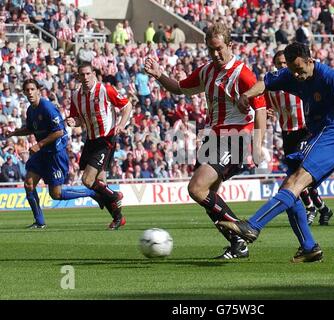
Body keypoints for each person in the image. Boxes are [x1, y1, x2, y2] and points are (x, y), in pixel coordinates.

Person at [218, 42, 334, 263]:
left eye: (300, 68)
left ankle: (252, 226)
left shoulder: (329, 76)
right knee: (290, 189)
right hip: (317, 135)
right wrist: (245, 95)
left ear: (310, 60)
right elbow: (265, 83)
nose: (296, 74)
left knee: (294, 183)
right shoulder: (290, 75)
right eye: (292, 69)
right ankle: (308, 247)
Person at [144, 22, 266, 259]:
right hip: (214, 137)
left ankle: (243, 231)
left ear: (230, 46)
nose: (215, 54)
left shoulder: (243, 74)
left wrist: (258, 145)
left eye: (219, 48)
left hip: (236, 136)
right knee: (209, 196)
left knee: (196, 188)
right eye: (211, 50)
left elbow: (260, 109)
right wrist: (159, 75)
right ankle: (237, 245)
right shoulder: (207, 71)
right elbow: (180, 88)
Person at [5, 79, 104, 228]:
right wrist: (14, 132)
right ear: (24, 92)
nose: (30, 92)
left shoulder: (47, 107)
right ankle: (39, 222)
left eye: (33, 89)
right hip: (43, 152)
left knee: (56, 194)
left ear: (38, 90)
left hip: (55, 153)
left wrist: (39, 144)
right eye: (27, 90)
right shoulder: (31, 110)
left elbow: (59, 131)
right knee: (29, 184)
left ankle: (92, 193)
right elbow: (31, 128)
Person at [266, 50, 334, 226]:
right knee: (295, 175)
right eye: (278, 63)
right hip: (287, 133)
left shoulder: (298, 82)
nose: (281, 66)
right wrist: (267, 111)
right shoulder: (273, 88)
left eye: (284, 63)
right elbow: (266, 106)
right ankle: (323, 208)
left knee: (298, 175)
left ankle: (310, 208)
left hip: (304, 131)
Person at [66, 62, 133, 230]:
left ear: (94, 74)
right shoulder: (76, 96)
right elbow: (78, 119)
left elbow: (127, 106)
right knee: (101, 182)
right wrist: (73, 121)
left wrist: (122, 124)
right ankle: (118, 218)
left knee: (87, 180)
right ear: (79, 77)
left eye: (89, 74)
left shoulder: (106, 90)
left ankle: (115, 195)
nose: (86, 77)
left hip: (106, 139)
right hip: (91, 140)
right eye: (83, 75)